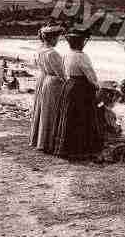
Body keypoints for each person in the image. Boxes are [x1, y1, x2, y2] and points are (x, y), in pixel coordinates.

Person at [54, 27, 103, 160]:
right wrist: (97, 86)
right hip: (81, 88)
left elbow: (64, 71)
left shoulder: (66, 54)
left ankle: (65, 147)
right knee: (82, 117)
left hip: (69, 85)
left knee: (68, 116)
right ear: (80, 42)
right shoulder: (82, 57)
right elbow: (90, 75)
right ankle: (80, 149)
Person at [29, 24, 66, 153]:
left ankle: (38, 140)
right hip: (52, 82)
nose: (58, 41)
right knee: (50, 111)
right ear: (51, 38)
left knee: (41, 110)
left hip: (42, 78)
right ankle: (47, 143)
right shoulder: (53, 53)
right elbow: (61, 74)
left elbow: (34, 64)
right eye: (57, 38)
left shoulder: (39, 50)